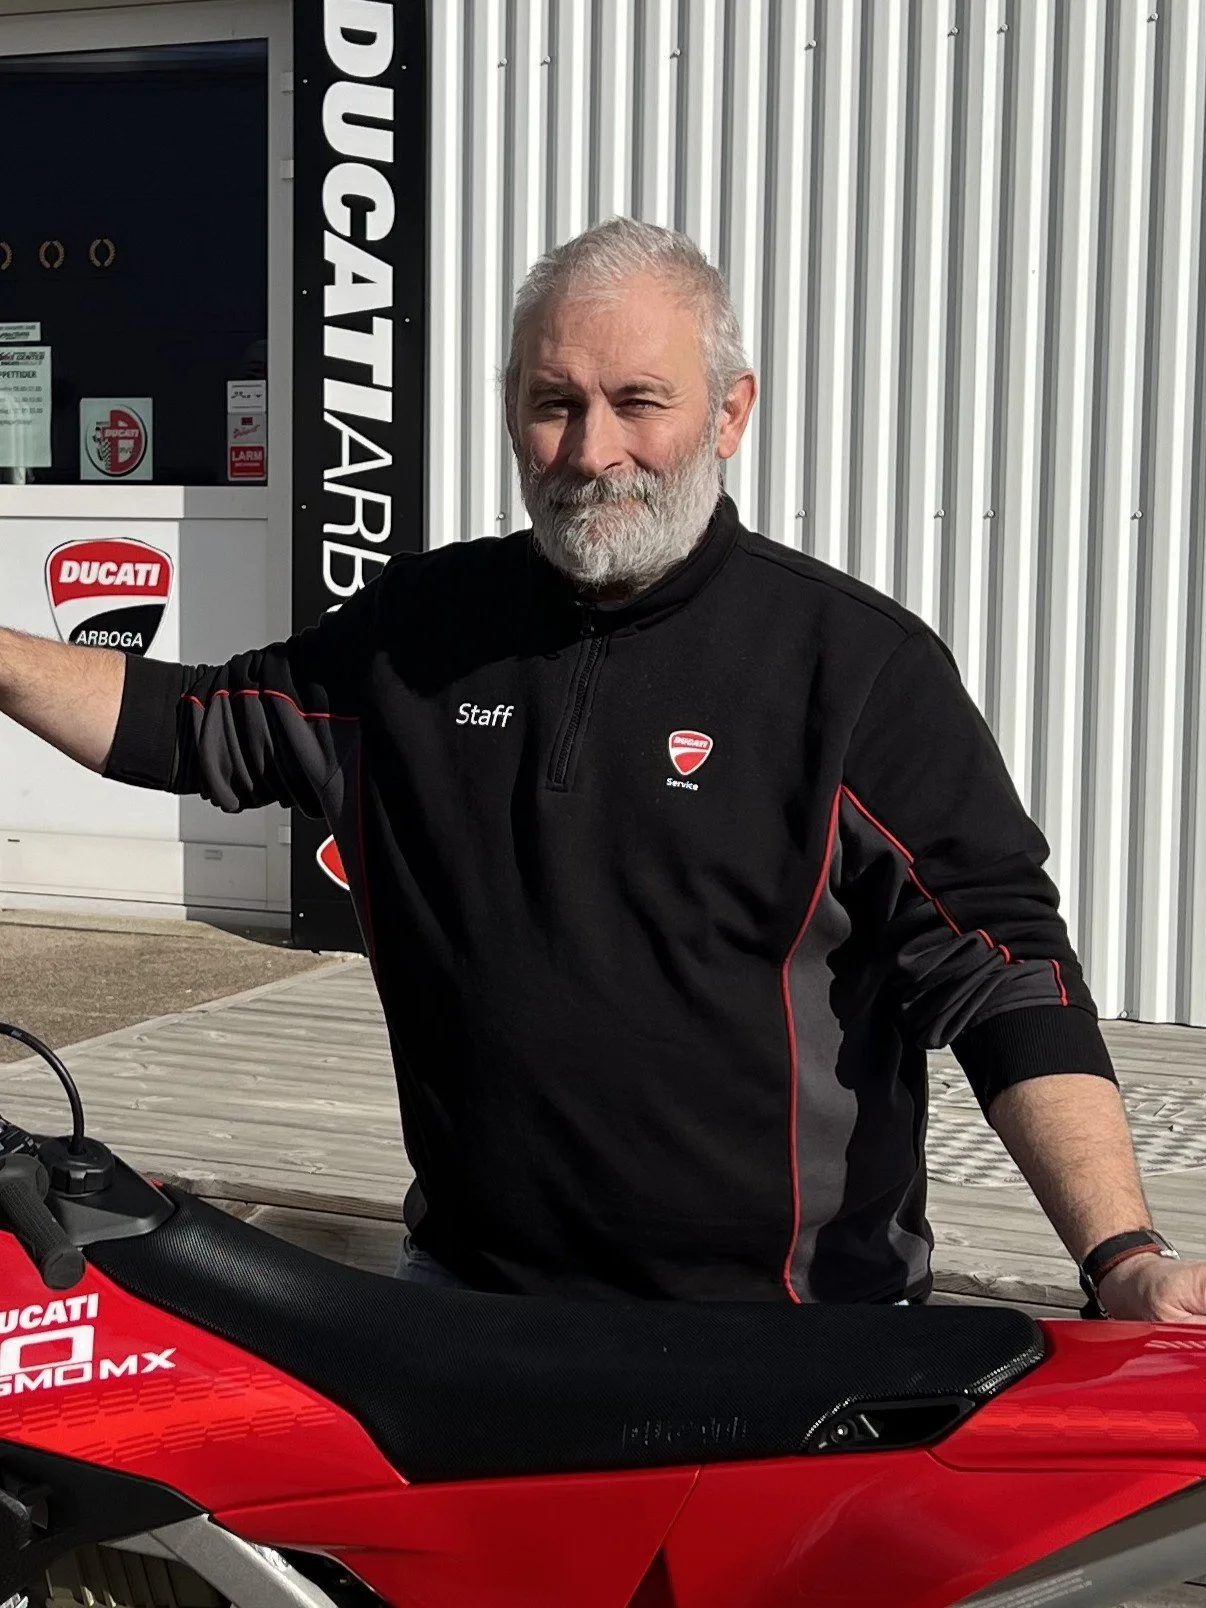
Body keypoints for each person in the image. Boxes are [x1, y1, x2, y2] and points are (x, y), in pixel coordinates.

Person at [0, 218, 1202, 1321]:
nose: (592, 451)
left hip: (794, 1339)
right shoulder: (418, 633)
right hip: (470, 1306)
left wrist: (1123, 1256)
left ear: (730, 414)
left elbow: (1005, 972)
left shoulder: (855, 671)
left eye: (641, 401)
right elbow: (194, 721)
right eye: (552, 403)